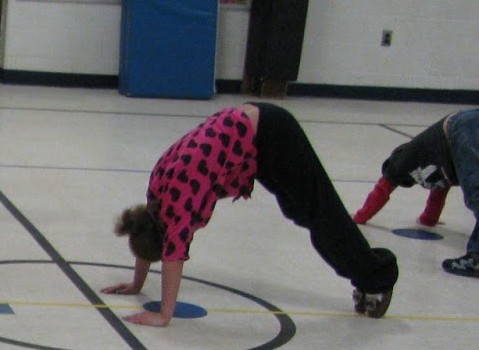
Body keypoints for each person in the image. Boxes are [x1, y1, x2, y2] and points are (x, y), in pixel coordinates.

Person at [102, 103, 399, 324]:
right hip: (257, 137)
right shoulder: (156, 197)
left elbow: (173, 254)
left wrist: (164, 315)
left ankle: (377, 275)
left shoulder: (178, 201)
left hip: (273, 135)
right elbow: (148, 233)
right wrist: (137, 283)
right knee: (304, 213)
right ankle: (367, 272)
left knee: (320, 213)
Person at [356, 109, 479, 279]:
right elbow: (439, 191)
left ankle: (476, 258)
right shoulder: (434, 164)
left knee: (476, 194)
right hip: (463, 126)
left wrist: (358, 218)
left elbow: (381, 190)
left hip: (461, 127)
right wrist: (427, 220)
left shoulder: (401, 162)